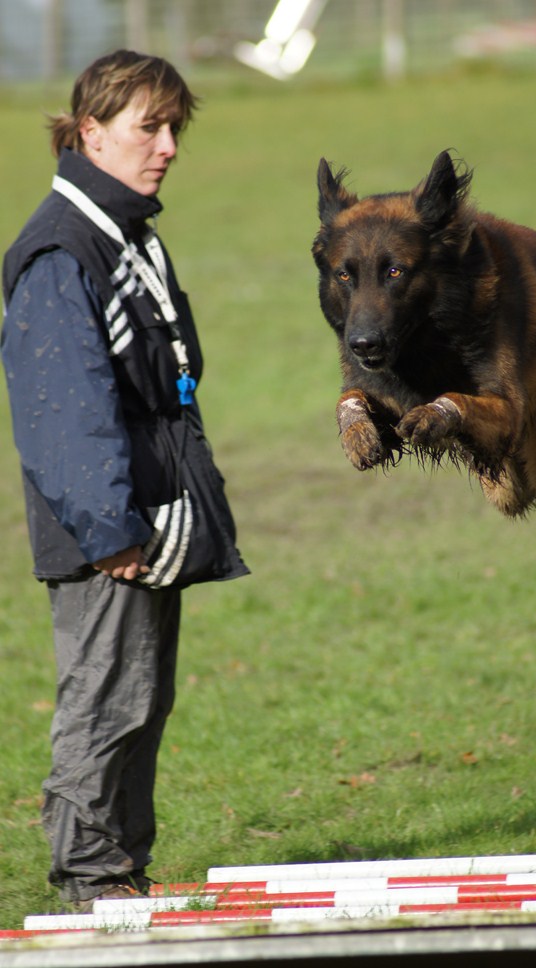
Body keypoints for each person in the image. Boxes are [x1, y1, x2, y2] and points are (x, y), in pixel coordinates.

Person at [1, 49, 249, 910]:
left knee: (139, 703)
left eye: (175, 127)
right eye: (150, 127)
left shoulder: (125, 231)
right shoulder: (61, 252)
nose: (169, 145)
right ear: (90, 131)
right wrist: (110, 534)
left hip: (143, 516)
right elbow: (60, 411)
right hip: (109, 532)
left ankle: (120, 876)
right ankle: (91, 883)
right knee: (106, 707)